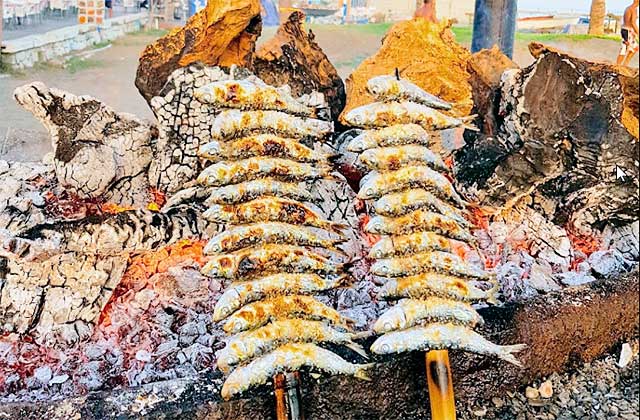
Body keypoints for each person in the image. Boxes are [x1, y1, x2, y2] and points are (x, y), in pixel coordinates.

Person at [616, 0, 639, 66]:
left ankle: (624, 65)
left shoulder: (628, 8)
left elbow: (628, 22)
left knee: (634, 48)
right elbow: (633, 22)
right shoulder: (633, 9)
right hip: (627, 31)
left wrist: (633, 32)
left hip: (626, 30)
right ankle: (618, 66)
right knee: (624, 49)